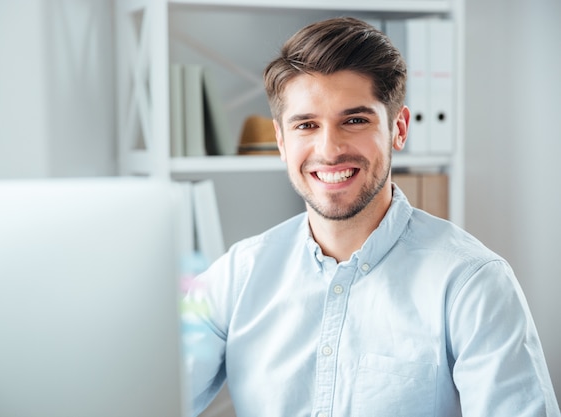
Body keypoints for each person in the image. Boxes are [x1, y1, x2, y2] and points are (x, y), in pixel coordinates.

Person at [182, 16, 560, 417]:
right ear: (281, 141)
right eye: (306, 125)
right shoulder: (237, 276)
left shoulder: (472, 284)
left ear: (398, 128)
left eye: (355, 120)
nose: (329, 150)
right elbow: (143, 390)